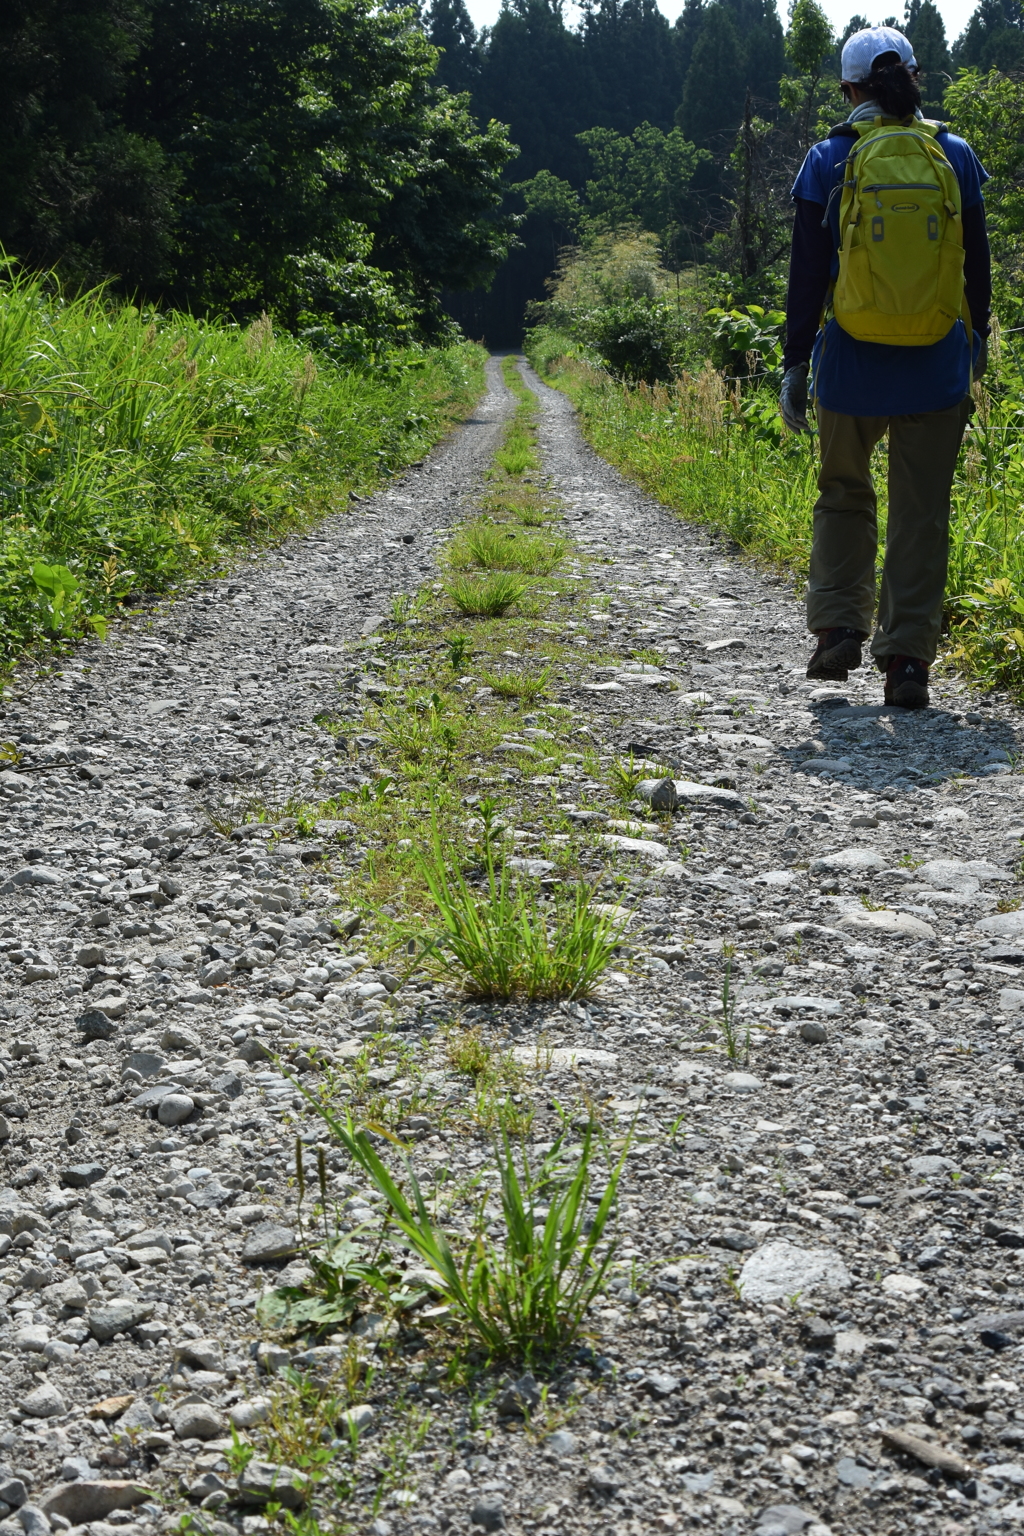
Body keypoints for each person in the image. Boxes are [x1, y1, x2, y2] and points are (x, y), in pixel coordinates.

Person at [780, 25, 991, 709]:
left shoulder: (826, 159)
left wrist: (794, 361)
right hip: (936, 360)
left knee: (845, 491)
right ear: (913, 80)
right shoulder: (954, 155)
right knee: (921, 512)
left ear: (849, 89)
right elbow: (976, 264)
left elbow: (807, 275)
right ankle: (906, 663)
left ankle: (840, 625)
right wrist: (977, 341)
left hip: (850, 362)